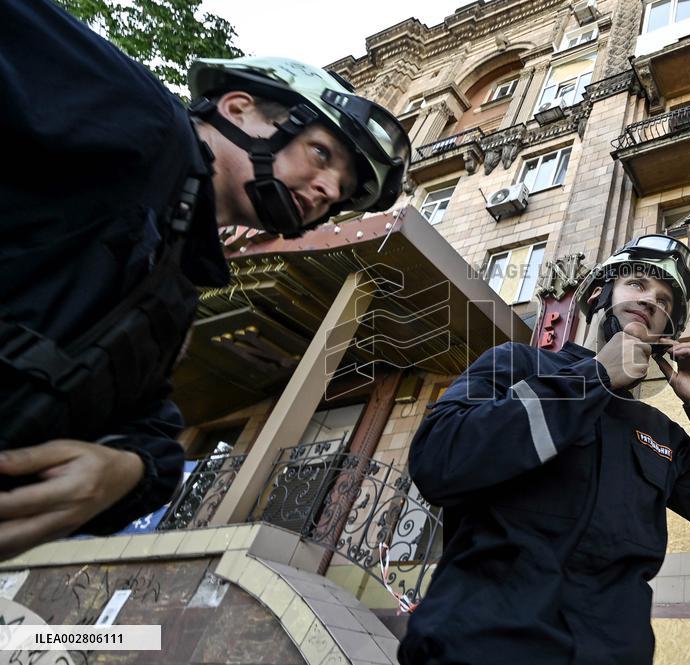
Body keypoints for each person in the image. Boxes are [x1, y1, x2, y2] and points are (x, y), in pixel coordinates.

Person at [0, 1, 409, 559]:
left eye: (341, 193)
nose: (328, 191)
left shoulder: (174, 286)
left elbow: (152, 428)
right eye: (321, 154)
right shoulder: (139, 117)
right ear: (239, 108)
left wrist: (126, 469)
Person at [402, 234, 690, 665]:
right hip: (477, 645)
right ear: (598, 294)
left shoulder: (659, 433)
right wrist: (593, 378)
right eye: (638, 284)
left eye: (665, 300)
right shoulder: (517, 363)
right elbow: (437, 459)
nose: (651, 300)